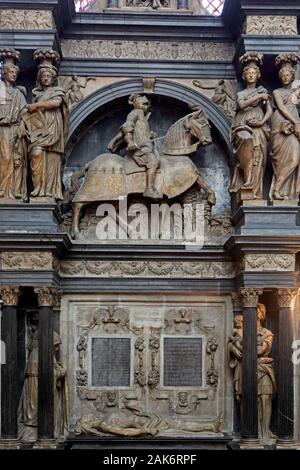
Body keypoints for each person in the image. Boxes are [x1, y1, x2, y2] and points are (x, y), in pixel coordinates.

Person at [23, 51, 69, 201]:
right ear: (40, 78)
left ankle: (48, 192)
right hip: (38, 128)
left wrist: (36, 105)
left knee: (52, 160)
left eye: (49, 76)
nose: (46, 78)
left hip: (53, 128)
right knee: (36, 153)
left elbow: (55, 103)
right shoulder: (36, 92)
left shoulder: (58, 91)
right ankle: (38, 189)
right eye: (43, 76)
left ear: (53, 78)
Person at [229, 52, 272, 199]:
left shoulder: (263, 90)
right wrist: (259, 96)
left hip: (259, 125)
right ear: (244, 76)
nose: (251, 76)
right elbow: (241, 105)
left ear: (258, 75)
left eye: (254, 73)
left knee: (258, 154)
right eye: (248, 73)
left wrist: (261, 122)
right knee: (246, 146)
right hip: (243, 123)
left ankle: (254, 188)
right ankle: (245, 179)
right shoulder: (242, 93)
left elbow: (270, 110)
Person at [108, 94, 162, 199]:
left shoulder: (143, 117)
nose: (147, 105)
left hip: (146, 146)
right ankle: (149, 189)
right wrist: (130, 142)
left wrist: (150, 135)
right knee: (153, 162)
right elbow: (127, 127)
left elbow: (140, 132)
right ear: (136, 103)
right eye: (144, 103)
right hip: (140, 148)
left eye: (147, 104)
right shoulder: (134, 113)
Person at [269, 53, 300, 201]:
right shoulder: (277, 92)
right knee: (281, 159)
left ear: (292, 76)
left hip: (294, 125)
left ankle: (279, 188)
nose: (285, 77)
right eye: (283, 75)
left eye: (288, 75)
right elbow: (281, 108)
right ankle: (277, 190)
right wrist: (296, 122)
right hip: (280, 124)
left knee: (294, 159)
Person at [0, 49, 27, 201]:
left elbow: (24, 112)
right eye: (10, 72)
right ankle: (3, 190)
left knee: (17, 160)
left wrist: (22, 126)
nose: (13, 75)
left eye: (15, 73)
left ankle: (14, 191)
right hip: (3, 130)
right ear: (4, 73)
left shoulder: (18, 93)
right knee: (4, 158)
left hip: (15, 130)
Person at [256, 303, 276, 443]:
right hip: (249, 370)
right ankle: (255, 432)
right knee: (252, 401)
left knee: (265, 399)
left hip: (264, 369)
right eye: (255, 310)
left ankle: (265, 432)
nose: (257, 313)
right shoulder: (241, 332)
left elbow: (260, 351)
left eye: (260, 311)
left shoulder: (267, 333)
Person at [227, 315, 243, 402]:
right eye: (236, 322)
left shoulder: (247, 330)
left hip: (246, 358)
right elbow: (230, 339)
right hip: (240, 361)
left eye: (239, 322)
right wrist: (234, 343)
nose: (237, 324)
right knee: (239, 384)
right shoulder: (235, 330)